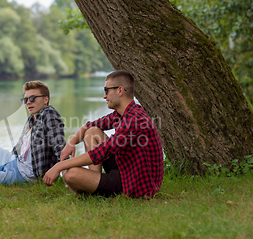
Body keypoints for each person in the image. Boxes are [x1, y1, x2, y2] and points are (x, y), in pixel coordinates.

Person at [43, 70, 164, 198]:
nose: (104, 96)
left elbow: (101, 152)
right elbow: (89, 125)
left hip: (134, 183)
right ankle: (91, 186)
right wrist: (71, 143)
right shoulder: (123, 114)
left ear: (120, 91)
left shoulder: (134, 120)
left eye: (106, 91)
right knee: (92, 132)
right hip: (126, 169)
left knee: (70, 175)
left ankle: (90, 186)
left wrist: (59, 165)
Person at [0, 80, 65, 187]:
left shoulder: (49, 114)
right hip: (13, 161)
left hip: (24, 175)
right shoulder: (32, 118)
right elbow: (19, 148)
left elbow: (60, 149)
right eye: (25, 99)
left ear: (45, 99)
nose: (28, 102)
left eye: (32, 98)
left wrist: (65, 174)